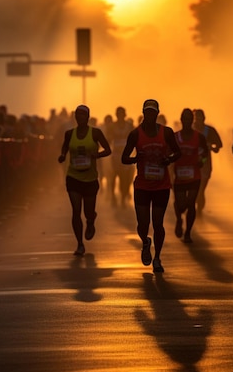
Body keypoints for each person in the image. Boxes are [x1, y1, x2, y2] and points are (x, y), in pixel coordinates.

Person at [121, 99, 181, 273]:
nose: (150, 115)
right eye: (147, 112)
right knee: (142, 223)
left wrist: (168, 159)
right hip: (142, 185)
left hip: (161, 185)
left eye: (153, 112)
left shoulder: (167, 132)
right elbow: (123, 158)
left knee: (158, 223)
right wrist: (135, 158)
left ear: (157, 114)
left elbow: (178, 152)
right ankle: (146, 242)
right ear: (143, 113)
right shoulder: (135, 134)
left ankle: (157, 258)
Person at [58, 104, 111, 256]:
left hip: (90, 178)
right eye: (78, 115)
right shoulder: (69, 134)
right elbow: (64, 148)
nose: (80, 117)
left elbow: (108, 150)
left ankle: (91, 220)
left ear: (88, 117)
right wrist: (62, 156)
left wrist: (97, 155)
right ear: (75, 117)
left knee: (88, 211)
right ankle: (80, 244)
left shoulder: (95, 133)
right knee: (75, 211)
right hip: (73, 177)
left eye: (83, 115)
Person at [172, 108, 209, 244]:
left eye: (189, 119)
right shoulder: (175, 137)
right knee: (181, 205)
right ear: (181, 120)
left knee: (191, 203)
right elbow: (169, 152)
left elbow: (205, 154)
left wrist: (202, 162)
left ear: (192, 121)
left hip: (194, 176)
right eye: (185, 119)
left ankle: (188, 232)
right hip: (179, 176)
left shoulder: (199, 137)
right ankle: (179, 219)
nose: (187, 121)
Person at [192, 109, 223, 214]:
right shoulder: (189, 130)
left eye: (200, 118)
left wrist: (212, 147)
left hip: (205, 162)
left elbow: (219, 144)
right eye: (196, 118)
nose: (197, 120)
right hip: (191, 163)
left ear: (204, 118)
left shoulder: (209, 131)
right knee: (194, 187)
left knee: (201, 189)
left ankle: (199, 209)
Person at [107, 106, 134, 207]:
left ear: (125, 114)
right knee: (114, 175)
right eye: (118, 114)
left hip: (126, 155)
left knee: (125, 177)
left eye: (122, 114)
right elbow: (108, 139)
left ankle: (123, 197)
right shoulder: (112, 126)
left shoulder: (129, 125)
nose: (120, 116)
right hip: (115, 155)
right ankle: (113, 196)